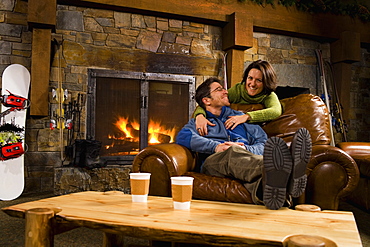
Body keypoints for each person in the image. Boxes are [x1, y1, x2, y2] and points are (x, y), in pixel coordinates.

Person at [176, 77, 311, 210]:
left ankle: (272, 192)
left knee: (259, 179)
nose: (226, 91)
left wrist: (246, 148)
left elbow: (264, 144)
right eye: (219, 89)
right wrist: (216, 146)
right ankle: (289, 170)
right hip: (213, 162)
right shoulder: (199, 122)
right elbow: (183, 137)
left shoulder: (239, 119)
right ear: (206, 100)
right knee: (232, 152)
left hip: (245, 162)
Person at [194, 60, 282, 136]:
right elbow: (208, 101)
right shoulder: (237, 91)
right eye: (250, 78)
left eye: (259, 80)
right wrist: (199, 116)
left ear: (266, 82)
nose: (252, 83)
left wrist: (246, 117)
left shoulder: (269, 95)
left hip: (254, 132)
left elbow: (276, 111)